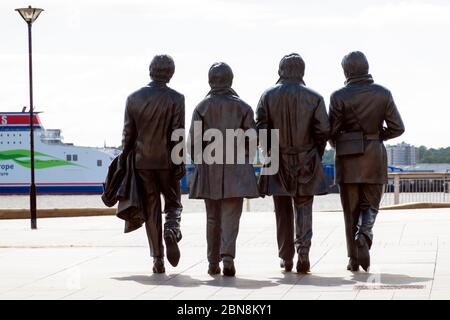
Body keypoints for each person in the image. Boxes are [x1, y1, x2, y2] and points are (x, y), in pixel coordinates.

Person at [329, 51, 405, 272]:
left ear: (346, 71)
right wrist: (378, 135)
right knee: (371, 205)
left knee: (349, 212)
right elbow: (398, 127)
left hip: (347, 160)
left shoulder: (338, 96)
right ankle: (364, 234)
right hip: (374, 157)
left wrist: (341, 142)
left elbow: (330, 131)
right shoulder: (383, 93)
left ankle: (353, 260)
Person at [256, 53, 330, 274]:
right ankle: (304, 252)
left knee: (282, 210)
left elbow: (260, 128)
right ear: (303, 72)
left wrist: (269, 150)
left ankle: (286, 257)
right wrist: (315, 152)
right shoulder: (314, 97)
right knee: (304, 207)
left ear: (280, 71)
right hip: (306, 158)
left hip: (277, 159)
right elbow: (324, 130)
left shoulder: (268, 96)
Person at [188, 62, 259, 276]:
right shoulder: (244, 107)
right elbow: (253, 139)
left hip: (210, 170)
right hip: (236, 170)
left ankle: (212, 262)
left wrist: (204, 162)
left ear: (210, 81)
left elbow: (193, 144)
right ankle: (227, 258)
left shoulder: (201, 108)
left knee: (212, 217)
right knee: (231, 216)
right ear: (231, 80)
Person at [121, 54, 185, 273]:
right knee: (174, 203)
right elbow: (177, 133)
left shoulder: (133, 98)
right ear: (171, 73)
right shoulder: (177, 98)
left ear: (151, 70)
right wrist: (179, 161)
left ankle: (158, 259)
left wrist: (123, 159)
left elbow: (128, 134)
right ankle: (171, 229)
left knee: (151, 209)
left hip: (142, 162)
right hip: (167, 160)